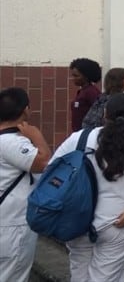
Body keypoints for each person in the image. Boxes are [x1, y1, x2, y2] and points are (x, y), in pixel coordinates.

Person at [55, 93, 124, 282]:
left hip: (77, 219)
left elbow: (52, 168)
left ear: (105, 113)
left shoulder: (80, 137)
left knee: (79, 276)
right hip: (117, 221)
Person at [0, 88, 50, 282]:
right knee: (13, 275)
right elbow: (43, 163)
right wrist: (36, 135)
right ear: (25, 110)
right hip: (11, 224)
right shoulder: (11, 142)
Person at [69, 57, 102, 132]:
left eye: (76, 76)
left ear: (86, 76)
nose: (73, 78)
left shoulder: (91, 92)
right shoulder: (82, 91)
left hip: (87, 133)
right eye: (73, 75)